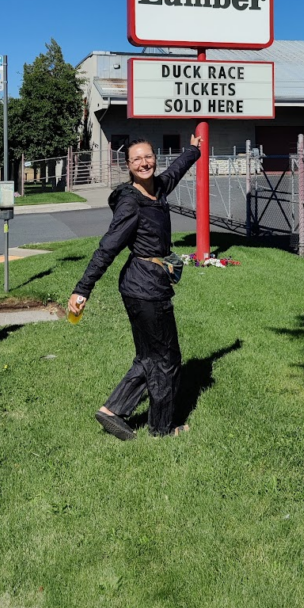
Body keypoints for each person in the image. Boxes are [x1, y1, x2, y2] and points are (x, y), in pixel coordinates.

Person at [68, 134, 202, 440]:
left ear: (155, 158)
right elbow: (107, 248)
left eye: (148, 157)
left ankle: (114, 411)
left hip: (144, 284)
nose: (144, 163)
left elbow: (175, 171)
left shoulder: (158, 188)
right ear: (127, 166)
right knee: (166, 359)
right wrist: (82, 289)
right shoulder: (131, 203)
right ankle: (161, 428)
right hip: (145, 288)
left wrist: (193, 149)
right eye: (136, 159)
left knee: (150, 357)